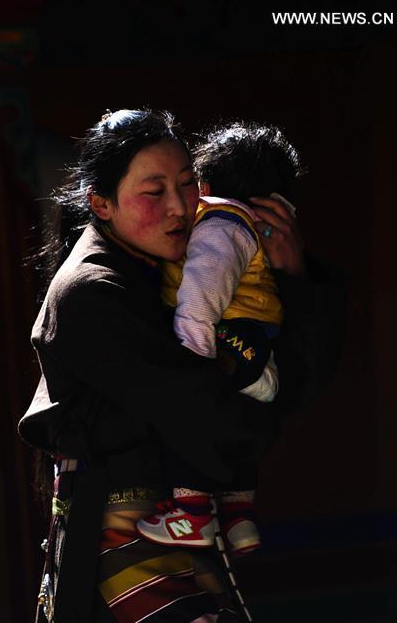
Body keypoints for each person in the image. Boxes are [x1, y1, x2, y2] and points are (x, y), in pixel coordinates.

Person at [19, 109, 343, 622]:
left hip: (182, 533)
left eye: (189, 184)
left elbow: (294, 386)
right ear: (100, 203)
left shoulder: (182, 269)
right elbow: (210, 419)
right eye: (154, 192)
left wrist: (292, 276)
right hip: (124, 540)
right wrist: (260, 404)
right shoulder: (91, 293)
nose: (179, 207)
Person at [136, 122, 305, 555]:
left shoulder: (220, 224)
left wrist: (188, 356)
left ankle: (192, 515)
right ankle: (238, 515)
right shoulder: (258, 231)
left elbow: (202, 292)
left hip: (227, 340)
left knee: (190, 417)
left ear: (206, 185)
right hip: (257, 347)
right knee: (235, 424)